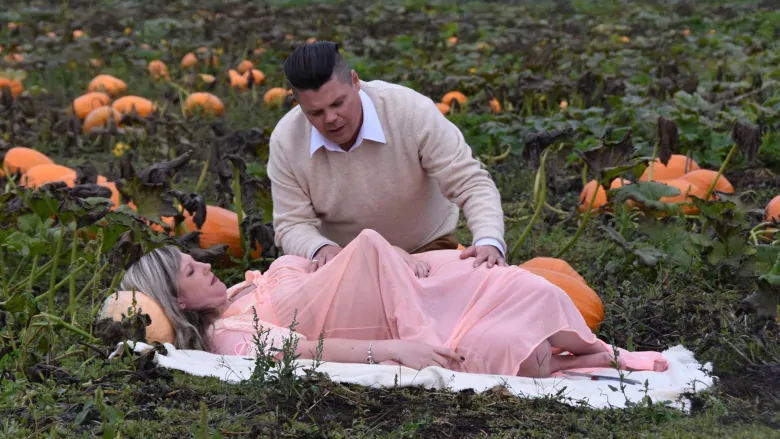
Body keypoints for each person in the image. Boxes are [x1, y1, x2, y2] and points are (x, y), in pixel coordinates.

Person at [115, 229, 668, 378]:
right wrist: (397, 349)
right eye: (192, 270)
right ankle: (599, 359)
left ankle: (595, 350)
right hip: (393, 317)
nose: (206, 263)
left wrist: (401, 259)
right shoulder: (232, 335)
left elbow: (323, 265)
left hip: (407, 284)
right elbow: (312, 351)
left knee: (531, 288)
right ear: (178, 302)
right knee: (510, 354)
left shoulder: (245, 287)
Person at [267, 41, 508, 276]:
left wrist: (489, 239)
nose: (330, 118)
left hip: (425, 249)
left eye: (338, 103)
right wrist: (321, 249)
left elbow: (471, 183)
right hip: (344, 262)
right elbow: (292, 223)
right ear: (297, 103)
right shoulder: (286, 140)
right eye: (316, 112)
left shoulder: (411, 111)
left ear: (354, 81)